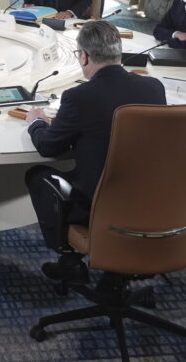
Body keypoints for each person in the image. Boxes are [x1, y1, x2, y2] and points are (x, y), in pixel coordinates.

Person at [23, 20, 166, 283]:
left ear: (84, 56)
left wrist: (36, 123)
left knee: (38, 176)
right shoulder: (154, 88)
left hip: (100, 203)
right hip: (152, 198)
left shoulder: (79, 97)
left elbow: (48, 147)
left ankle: (69, 262)